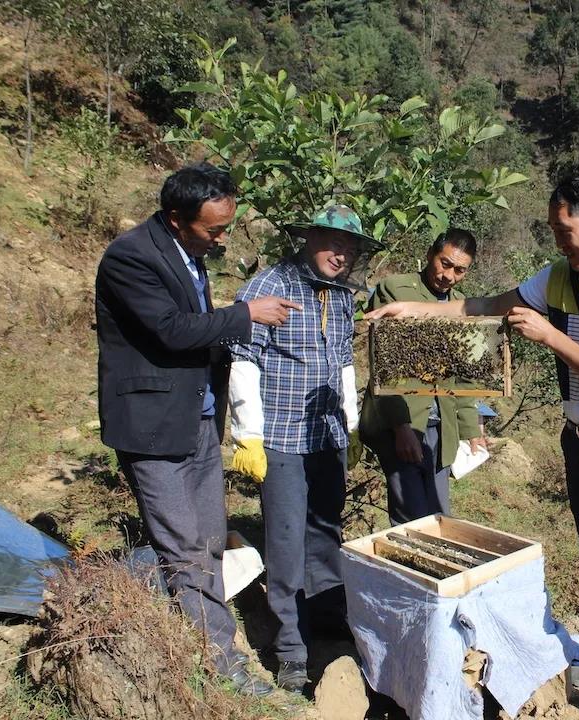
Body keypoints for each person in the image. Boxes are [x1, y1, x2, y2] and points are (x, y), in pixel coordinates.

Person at [366, 173, 579, 720]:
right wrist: (414, 312)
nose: (558, 241)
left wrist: (550, 335)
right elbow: (484, 305)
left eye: (564, 230)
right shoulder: (559, 276)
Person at [95, 162, 298, 696]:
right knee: (184, 545)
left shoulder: (188, 255)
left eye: (227, 227)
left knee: (208, 539)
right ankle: (217, 659)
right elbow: (170, 329)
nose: (222, 239)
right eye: (214, 230)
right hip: (154, 429)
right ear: (176, 219)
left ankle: (186, 621)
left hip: (198, 420)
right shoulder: (130, 257)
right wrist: (244, 315)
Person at [227, 205, 379, 693]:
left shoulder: (342, 297)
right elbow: (243, 359)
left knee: (325, 534)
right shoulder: (268, 286)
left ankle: (329, 627)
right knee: (287, 543)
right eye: (334, 242)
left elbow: (343, 365)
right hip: (282, 440)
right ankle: (291, 647)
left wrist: (351, 426)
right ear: (309, 238)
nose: (343, 253)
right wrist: (248, 433)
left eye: (351, 247)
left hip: (327, 436)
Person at [360, 229, 487, 526]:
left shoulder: (461, 304)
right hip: (403, 421)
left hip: (442, 426)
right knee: (412, 518)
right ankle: (408, 569)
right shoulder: (396, 290)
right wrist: (400, 427)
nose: (449, 276)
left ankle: (433, 569)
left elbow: (463, 374)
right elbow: (385, 363)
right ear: (431, 254)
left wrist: (471, 429)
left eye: (459, 270)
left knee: (439, 514)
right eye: (445, 264)